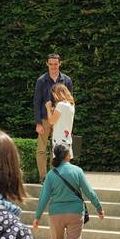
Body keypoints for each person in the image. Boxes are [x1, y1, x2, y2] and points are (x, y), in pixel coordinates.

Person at [32, 142, 104, 239]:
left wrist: (37, 217)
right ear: (67, 155)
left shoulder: (51, 175)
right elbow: (89, 192)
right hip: (75, 213)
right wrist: (99, 208)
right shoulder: (77, 171)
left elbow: (44, 197)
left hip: (56, 214)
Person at [33, 53, 73, 181]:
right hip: (45, 119)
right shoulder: (41, 80)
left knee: (56, 149)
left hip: (59, 121)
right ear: (47, 64)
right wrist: (38, 123)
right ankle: (43, 178)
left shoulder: (67, 80)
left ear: (60, 64)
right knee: (41, 149)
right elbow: (37, 102)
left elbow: (70, 100)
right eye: (51, 64)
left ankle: (54, 177)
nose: (53, 66)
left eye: (56, 64)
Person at [45, 84, 76, 156]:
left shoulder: (60, 105)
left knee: (59, 162)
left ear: (57, 93)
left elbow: (51, 121)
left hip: (59, 137)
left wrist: (48, 109)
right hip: (67, 138)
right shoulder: (71, 104)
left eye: (53, 94)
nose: (54, 97)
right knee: (66, 161)